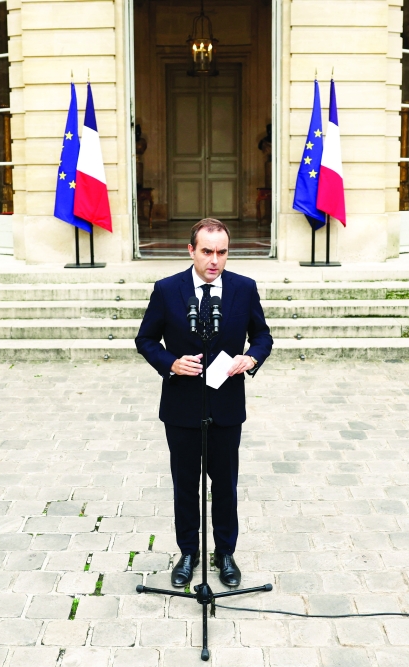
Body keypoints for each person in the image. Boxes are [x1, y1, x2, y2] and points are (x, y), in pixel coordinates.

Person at [135, 218, 273, 588]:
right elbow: (145, 339)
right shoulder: (167, 290)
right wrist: (171, 363)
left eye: (222, 252)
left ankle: (225, 553)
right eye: (207, 251)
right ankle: (188, 553)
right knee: (185, 485)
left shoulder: (244, 289)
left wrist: (252, 358)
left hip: (226, 406)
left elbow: (262, 335)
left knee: (225, 485)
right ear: (191, 250)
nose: (215, 260)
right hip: (181, 408)